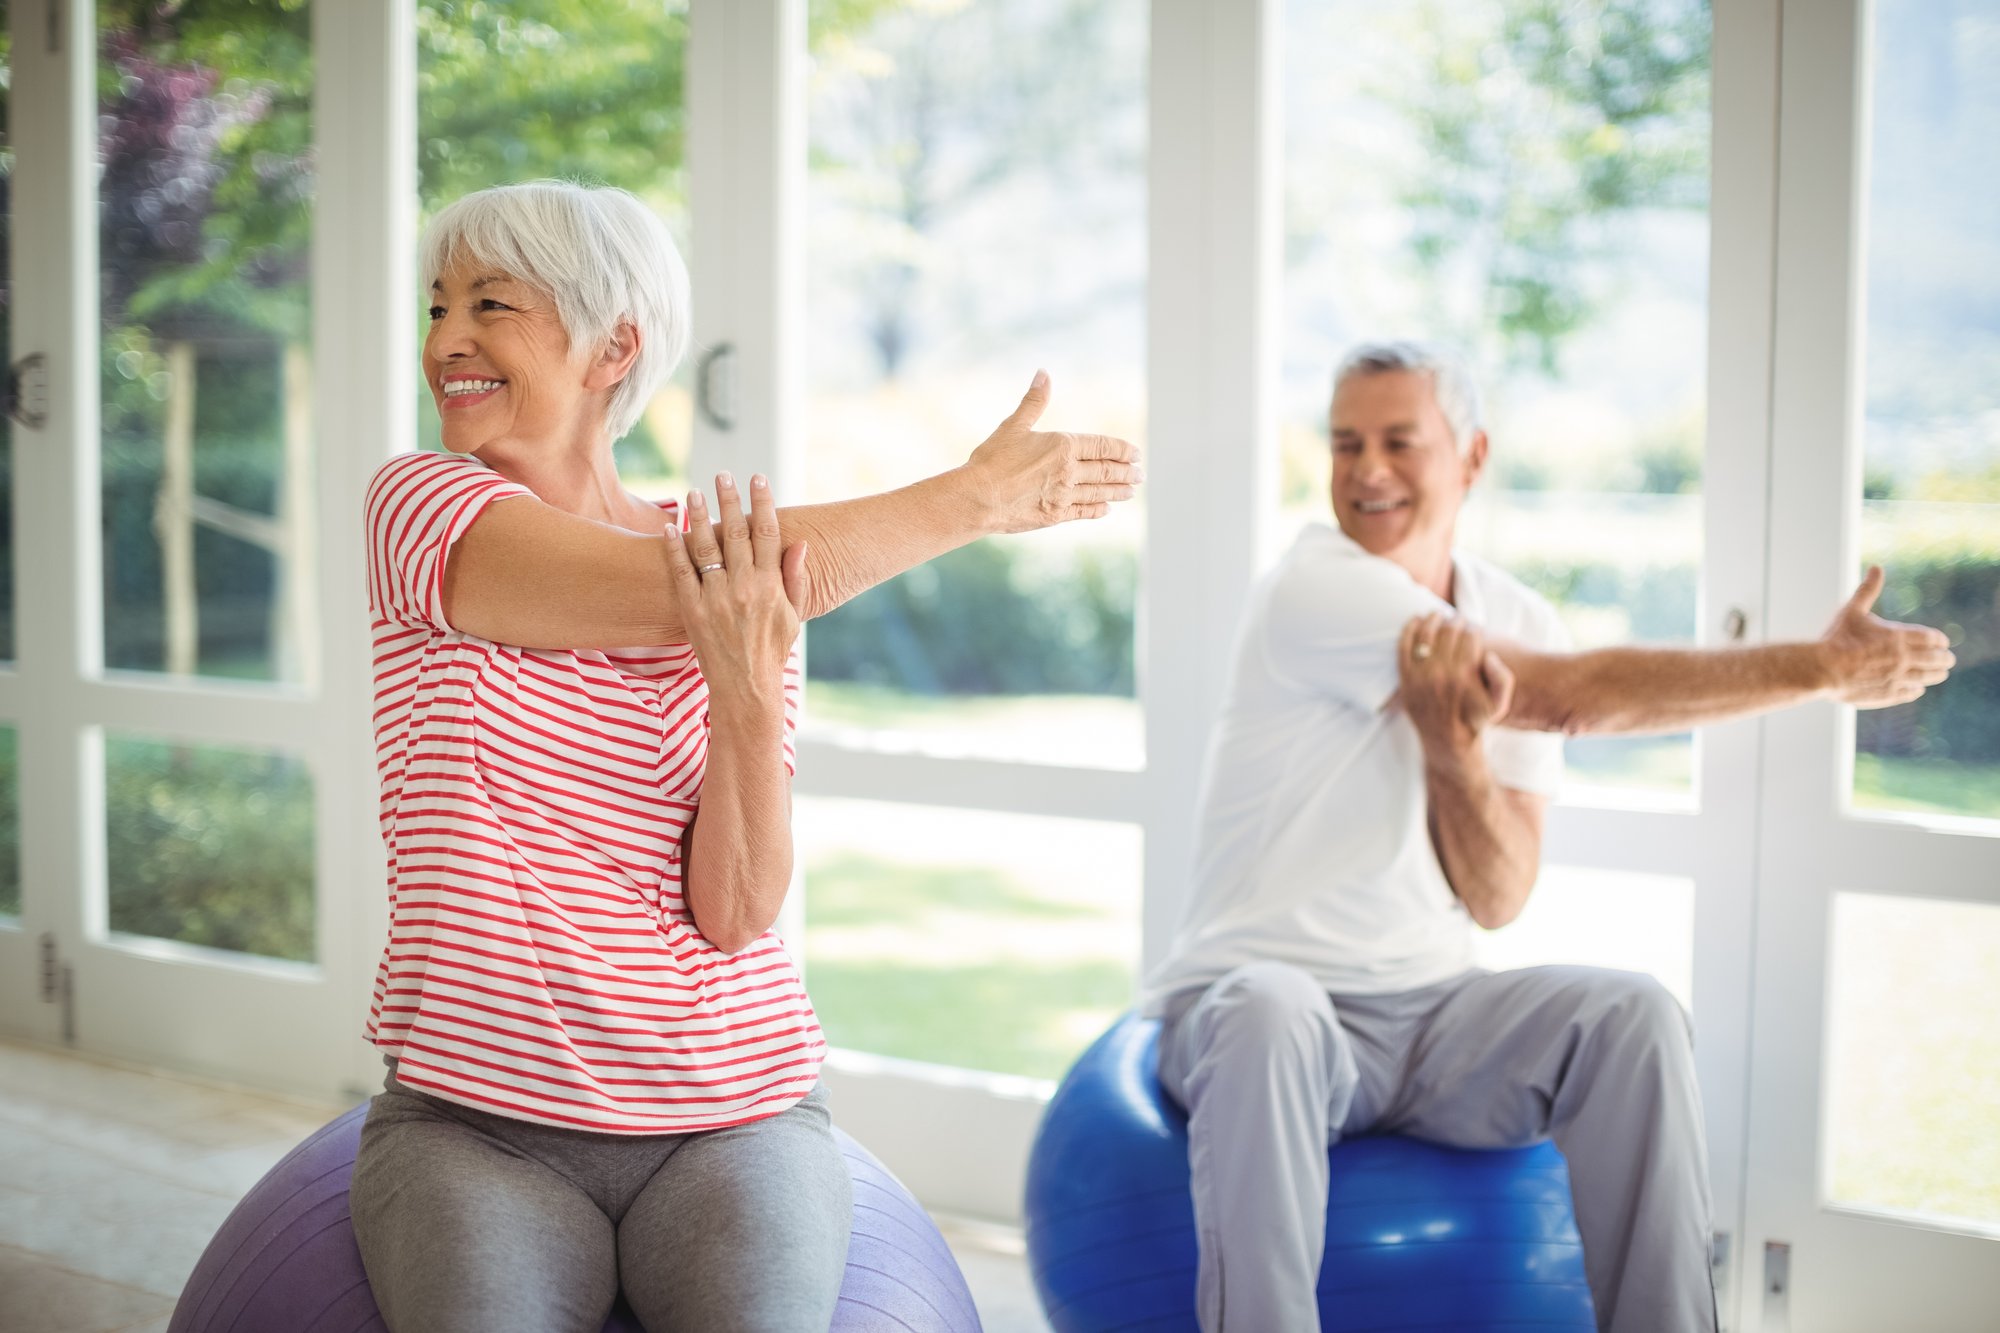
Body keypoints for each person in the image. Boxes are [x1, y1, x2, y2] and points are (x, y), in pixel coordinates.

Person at [347, 179, 1141, 1333]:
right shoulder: (419, 506)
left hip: (734, 1118)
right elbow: (702, 586)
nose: (446, 340)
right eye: (436, 306)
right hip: (478, 1127)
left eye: (489, 303)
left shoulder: (730, 576)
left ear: (610, 345)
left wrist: (746, 696)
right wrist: (970, 498)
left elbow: (732, 908)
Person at [1141, 341, 1953, 1333]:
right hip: (1260, 1006)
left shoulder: (1512, 613)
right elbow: (1567, 701)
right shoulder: (1313, 586)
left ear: (1470, 457)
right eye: (1345, 441)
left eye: (1399, 440)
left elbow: (1495, 896)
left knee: (1632, 1015)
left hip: (1427, 1013)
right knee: (1273, 1006)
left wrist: (1452, 750)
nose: (1365, 469)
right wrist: (1815, 669)